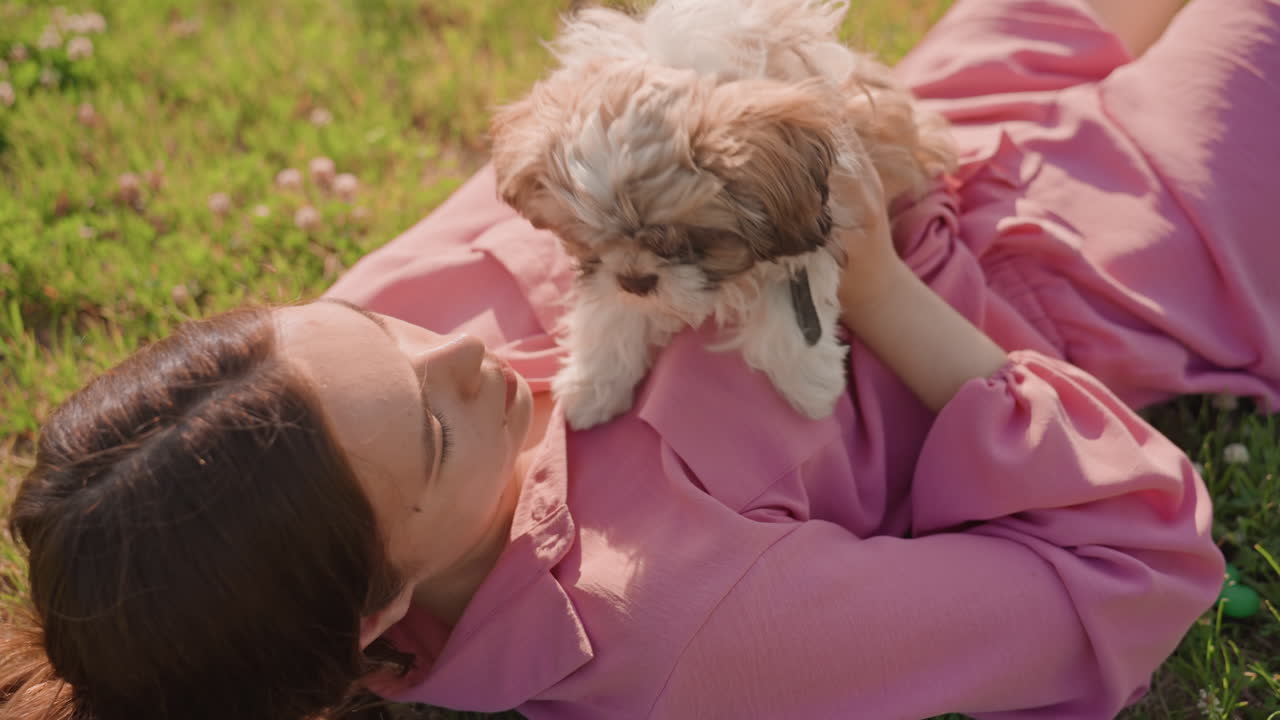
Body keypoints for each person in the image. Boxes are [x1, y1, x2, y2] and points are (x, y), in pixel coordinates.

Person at [2, 0, 1275, 717]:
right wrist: (878, 290)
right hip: (1108, 254)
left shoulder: (346, 383)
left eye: (380, 334)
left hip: (927, 107)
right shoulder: (682, 635)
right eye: (437, 428)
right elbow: (1135, 563)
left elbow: (595, 152)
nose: (464, 346)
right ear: (382, 610)